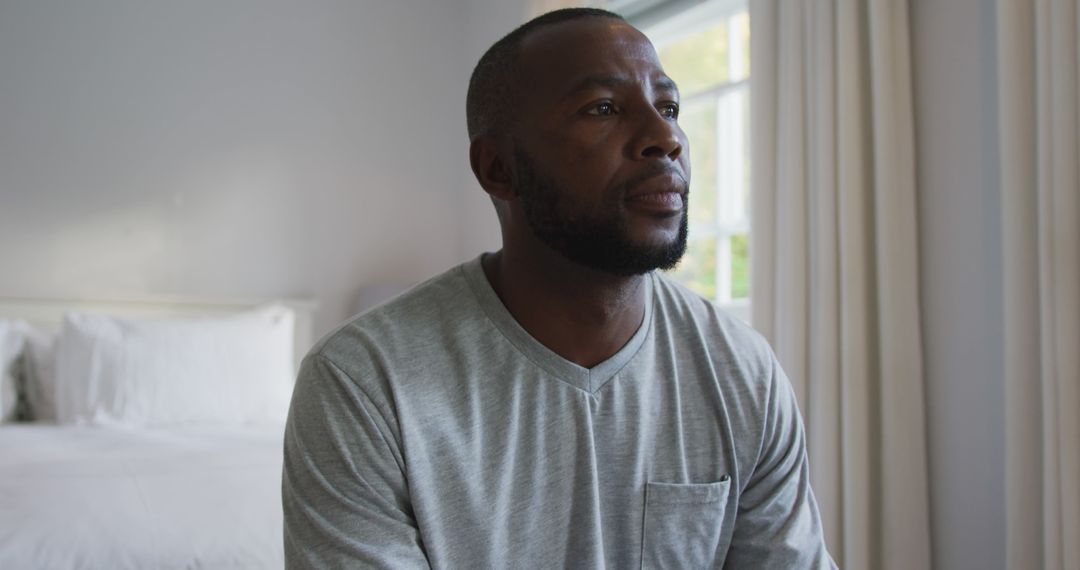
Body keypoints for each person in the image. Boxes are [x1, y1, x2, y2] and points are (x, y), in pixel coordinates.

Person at [282, 7, 836, 569]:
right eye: (603, 108)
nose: (665, 137)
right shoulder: (364, 384)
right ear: (499, 168)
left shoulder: (742, 372)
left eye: (669, 107)